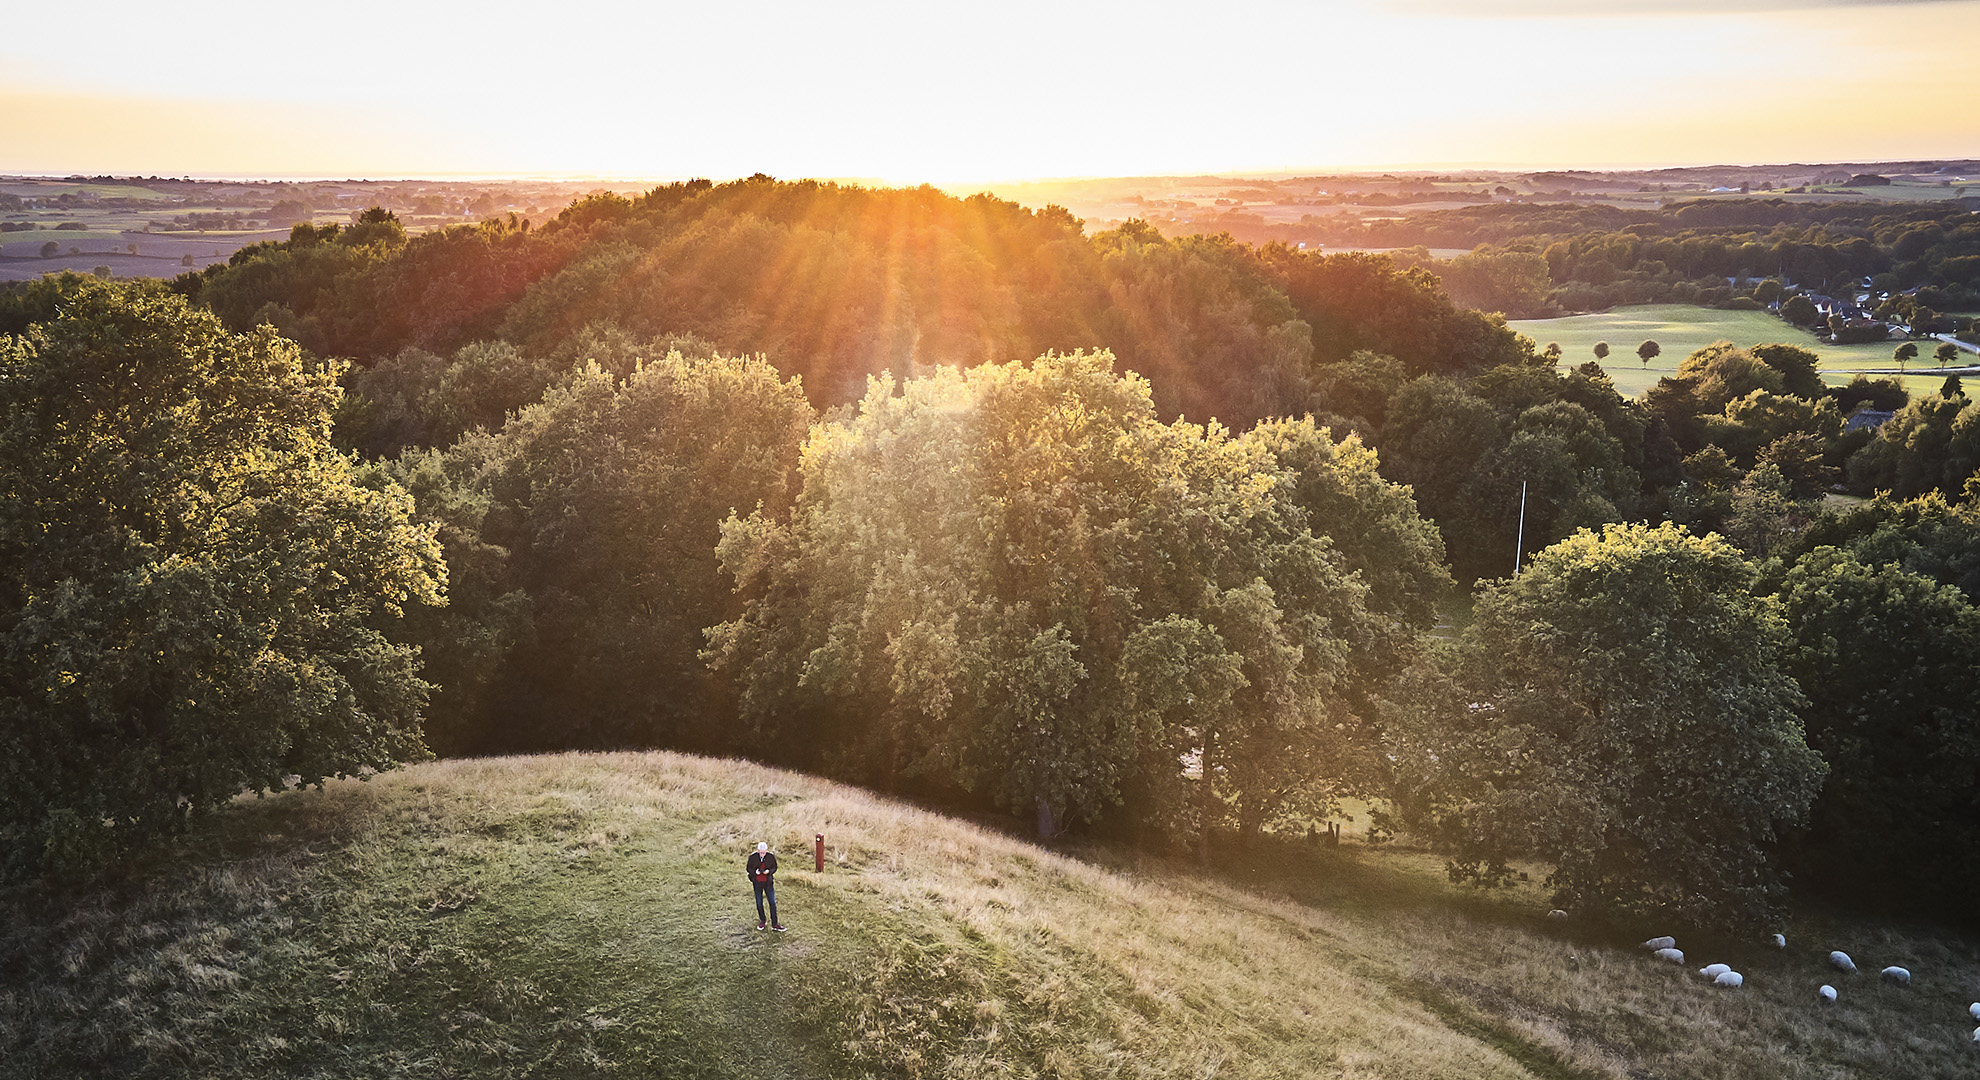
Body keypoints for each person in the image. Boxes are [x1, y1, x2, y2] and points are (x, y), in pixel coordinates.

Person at [747, 841, 784, 931]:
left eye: (764, 852)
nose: (763, 854)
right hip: (757, 883)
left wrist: (769, 872)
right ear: (758, 851)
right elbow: (748, 868)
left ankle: (775, 924)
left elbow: (774, 867)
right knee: (759, 903)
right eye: (761, 852)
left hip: (768, 883)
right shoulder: (752, 857)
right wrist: (755, 872)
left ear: (766, 851)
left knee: (772, 902)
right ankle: (762, 920)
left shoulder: (770, 857)